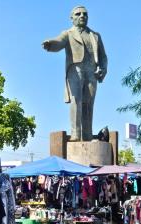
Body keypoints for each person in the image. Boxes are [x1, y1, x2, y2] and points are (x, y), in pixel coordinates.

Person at [42, 5, 108, 141]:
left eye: (85, 14)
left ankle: (88, 135)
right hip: (75, 70)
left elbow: (103, 56)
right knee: (76, 101)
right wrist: (50, 44)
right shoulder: (68, 33)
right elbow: (59, 42)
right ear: (72, 18)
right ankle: (76, 134)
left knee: (88, 103)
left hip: (92, 71)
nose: (82, 16)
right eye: (78, 14)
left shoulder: (95, 36)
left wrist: (103, 69)